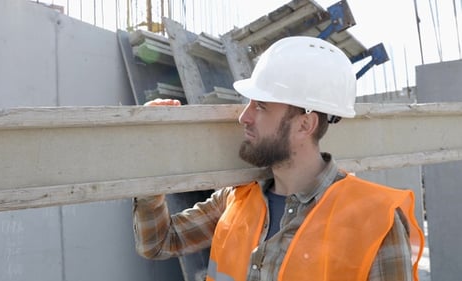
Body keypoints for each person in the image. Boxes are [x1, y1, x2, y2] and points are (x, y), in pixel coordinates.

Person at [133, 36, 424, 281]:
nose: (244, 118)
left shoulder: (376, 221)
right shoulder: (236, 200)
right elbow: (158, 243)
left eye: (260, 106)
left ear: (304, 125)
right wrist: (153, 155)